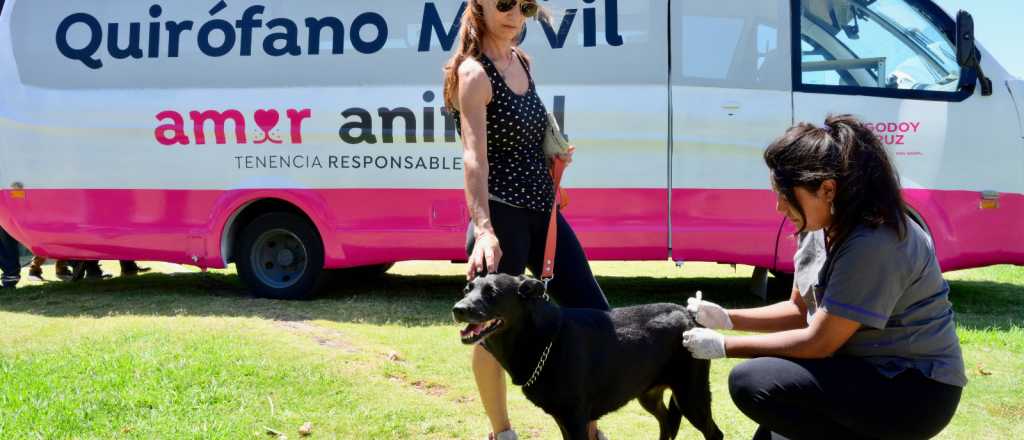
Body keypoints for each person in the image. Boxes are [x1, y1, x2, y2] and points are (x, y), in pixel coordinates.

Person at [681, 115, 966, 439]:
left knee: (754, 382)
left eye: (787, 195)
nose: (778, 207)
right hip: (857, 371)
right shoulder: (819, 226)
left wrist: (725, 346)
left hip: (913, 389)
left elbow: (819, 341)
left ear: (828, 189)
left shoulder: (875, 241)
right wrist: (727, 318)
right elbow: (800, 312)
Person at [443, 1, 611, 439]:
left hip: (543, 211)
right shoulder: (474, 74)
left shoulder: (521, 60)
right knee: (489, 328)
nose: (514, 12)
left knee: (593, 314)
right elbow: (473, 158)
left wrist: (553, 156)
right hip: (500, 216)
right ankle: (502, 433)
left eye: (525, 5)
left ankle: (587, 427)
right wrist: (483, 231)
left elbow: (525, 136)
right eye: (502, 4)